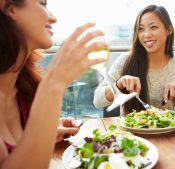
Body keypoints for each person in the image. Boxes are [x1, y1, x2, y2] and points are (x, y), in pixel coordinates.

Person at [0, 0, 107, 168]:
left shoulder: (21, 89)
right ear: (10, 8)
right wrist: (53, 84)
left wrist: (47, 131)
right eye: (42, 3)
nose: (53, 18)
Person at [93, 5, 175, 113]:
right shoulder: (125, 61)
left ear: (169, 30)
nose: (146, 35)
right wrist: (118, 85)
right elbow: (97, 100)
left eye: (154, 27)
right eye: (141, 29)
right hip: (130, 129)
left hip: (166, 128)